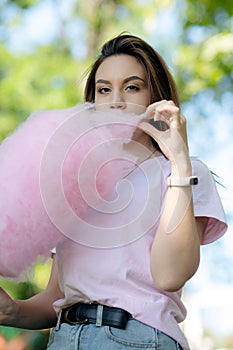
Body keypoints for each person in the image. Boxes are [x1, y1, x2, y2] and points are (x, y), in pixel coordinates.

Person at [0, 34, 227, 350]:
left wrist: (179, 160)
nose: (116, 100)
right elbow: (57, 297)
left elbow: (170, 275)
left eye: (132, 87)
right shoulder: (73, 179)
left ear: (155, 96)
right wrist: (12, 311)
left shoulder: (182, 172)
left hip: (136, 339)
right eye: (104, 90)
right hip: (65, 339)